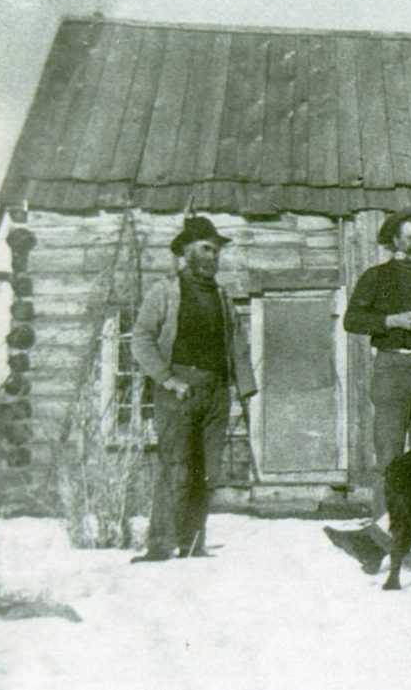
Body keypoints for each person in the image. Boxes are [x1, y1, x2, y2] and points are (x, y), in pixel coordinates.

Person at [324, 209, 411, 570]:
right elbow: (352, 320)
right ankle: (381, 543)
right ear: (396, 240)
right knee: (389, 459)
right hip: (392, 367)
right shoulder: (377, 277)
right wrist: (390, 321)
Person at [130, 216, 256, 563]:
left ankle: (192, 543)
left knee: (206, 471)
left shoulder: (221, 295)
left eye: (215, 251)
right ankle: (159, 545)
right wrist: (168, 380)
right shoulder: (165, 291)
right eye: (205, 249)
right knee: (177, 467)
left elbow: (235, 342)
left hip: (215, 393)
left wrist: (243, 388)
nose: (212, 256)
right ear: (186, 252)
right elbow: (141, 340)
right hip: (178, 390)